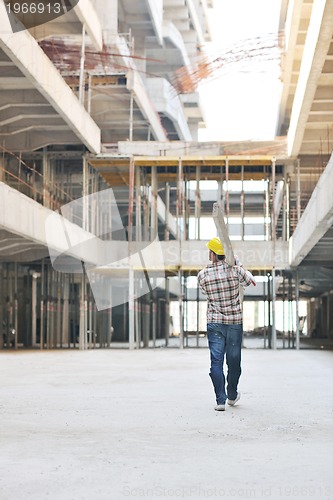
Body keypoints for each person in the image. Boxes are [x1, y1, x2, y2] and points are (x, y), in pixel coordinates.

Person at [197, 237, 256, 411]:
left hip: (214, 323)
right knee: (234, 361)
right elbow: (252, 282)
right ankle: (231, 394)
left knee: (216, 362)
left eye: (210, 251)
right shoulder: (235, 270)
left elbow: (204, 291)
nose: (208, 254)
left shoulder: (202, 275)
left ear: (214, 254)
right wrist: (239, 265)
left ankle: (220, 401)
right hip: (233, 323)